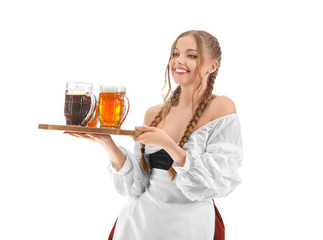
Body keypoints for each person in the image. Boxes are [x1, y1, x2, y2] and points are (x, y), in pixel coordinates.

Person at [64, 30, 243, 240]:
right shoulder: (154, 113)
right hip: (139, 223)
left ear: (212, 66)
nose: (179, 60)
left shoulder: (221, 107)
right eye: (175, 54)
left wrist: (168, 144)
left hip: (189, 226)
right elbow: (137, 183)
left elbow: (220, 180)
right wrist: (107, 143)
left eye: (192, 55)